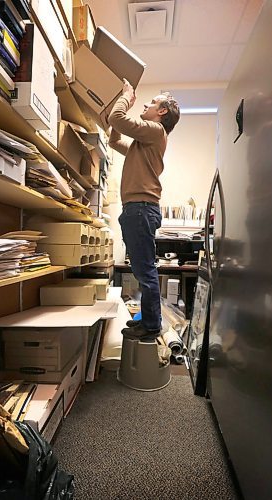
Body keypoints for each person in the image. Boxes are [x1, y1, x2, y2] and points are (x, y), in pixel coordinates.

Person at [108, 79, 180, 341]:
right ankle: (150, 323)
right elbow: (115, 140)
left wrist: (127, 96)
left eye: (152, 103)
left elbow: (117, 117)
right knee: (143, 270)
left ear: (161, 112)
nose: (147, 105)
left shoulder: (155, 131)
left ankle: (151, 325)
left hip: (140, 209)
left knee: (145, 272)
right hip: (137, 210)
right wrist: (113, 111)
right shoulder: (143, 145)